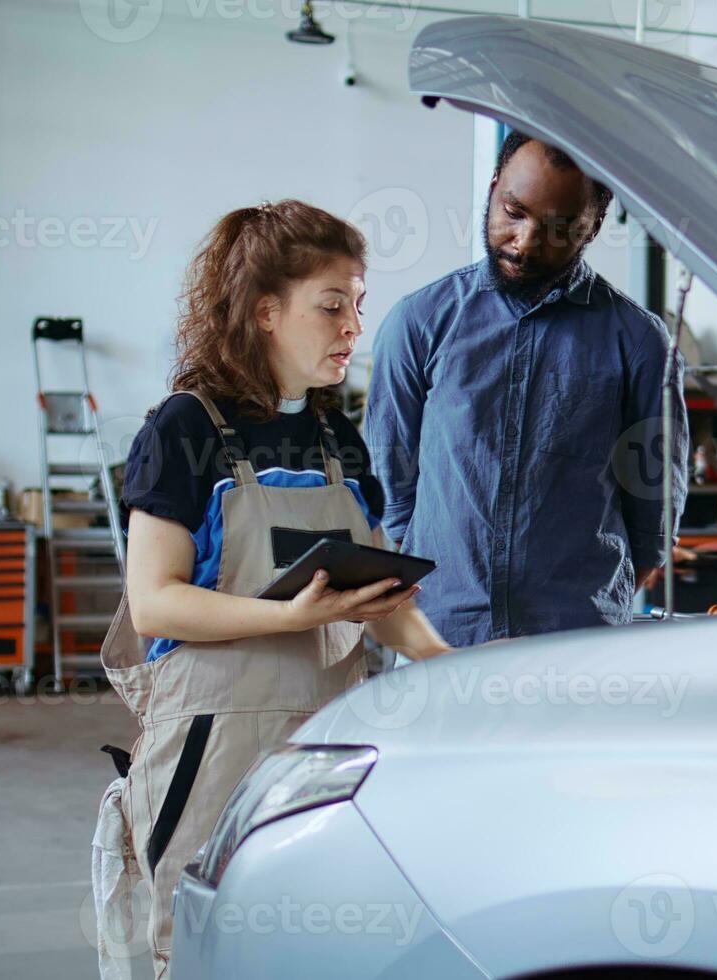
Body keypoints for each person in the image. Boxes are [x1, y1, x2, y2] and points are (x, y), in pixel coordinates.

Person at [94, 199, 452, 978]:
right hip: (208, 745)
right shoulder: (184, 429)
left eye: (359, 304)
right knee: (201, 950)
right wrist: (287, 613)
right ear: (264, 311)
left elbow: (383, 602)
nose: (353, 326)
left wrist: (450, 667)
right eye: (331, 305)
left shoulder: (338, 440)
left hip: (327, 741)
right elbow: (154, 600)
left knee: (321, 948)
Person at [366, 131, 689, 648]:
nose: (526, 242)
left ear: (594, 225)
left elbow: (653, 513)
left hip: (576, 646)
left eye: (560, 228)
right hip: (438, 640)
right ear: (493, 188)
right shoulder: (420, 322)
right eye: (512, 212)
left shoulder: (639, 341)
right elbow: (388, 486)